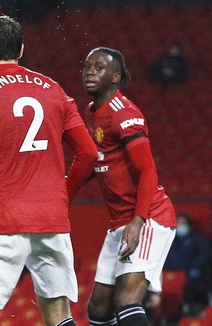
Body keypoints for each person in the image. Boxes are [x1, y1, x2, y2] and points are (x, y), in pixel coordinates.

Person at [0, 15, 98, 326]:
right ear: (22, 49)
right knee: (58, 316)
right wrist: (61, 197)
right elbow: (89, 153)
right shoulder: (53, 89)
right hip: (52, 220)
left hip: (1, 218)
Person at [67, 47, 177, 326]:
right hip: (120, 222)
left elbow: (147, 169)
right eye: (87, 66)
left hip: (149, 217)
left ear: (116, 76)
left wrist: (138, 221)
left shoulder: (124, 113)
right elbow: (92, 162)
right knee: (99, 308)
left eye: (99, 67)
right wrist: (60, 197)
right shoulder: (91, 112)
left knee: (127, 299)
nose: (90, 71)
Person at [164, 214, 212, 318]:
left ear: (189, 225)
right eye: (179, 223)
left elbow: (203, 255)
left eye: (183, 223)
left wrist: (195, 268)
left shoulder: (198, 239)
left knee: (193, 286)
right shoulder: (171, 239)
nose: (181, 226)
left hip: (189, 273)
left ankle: (189, 309)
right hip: (171, 273)